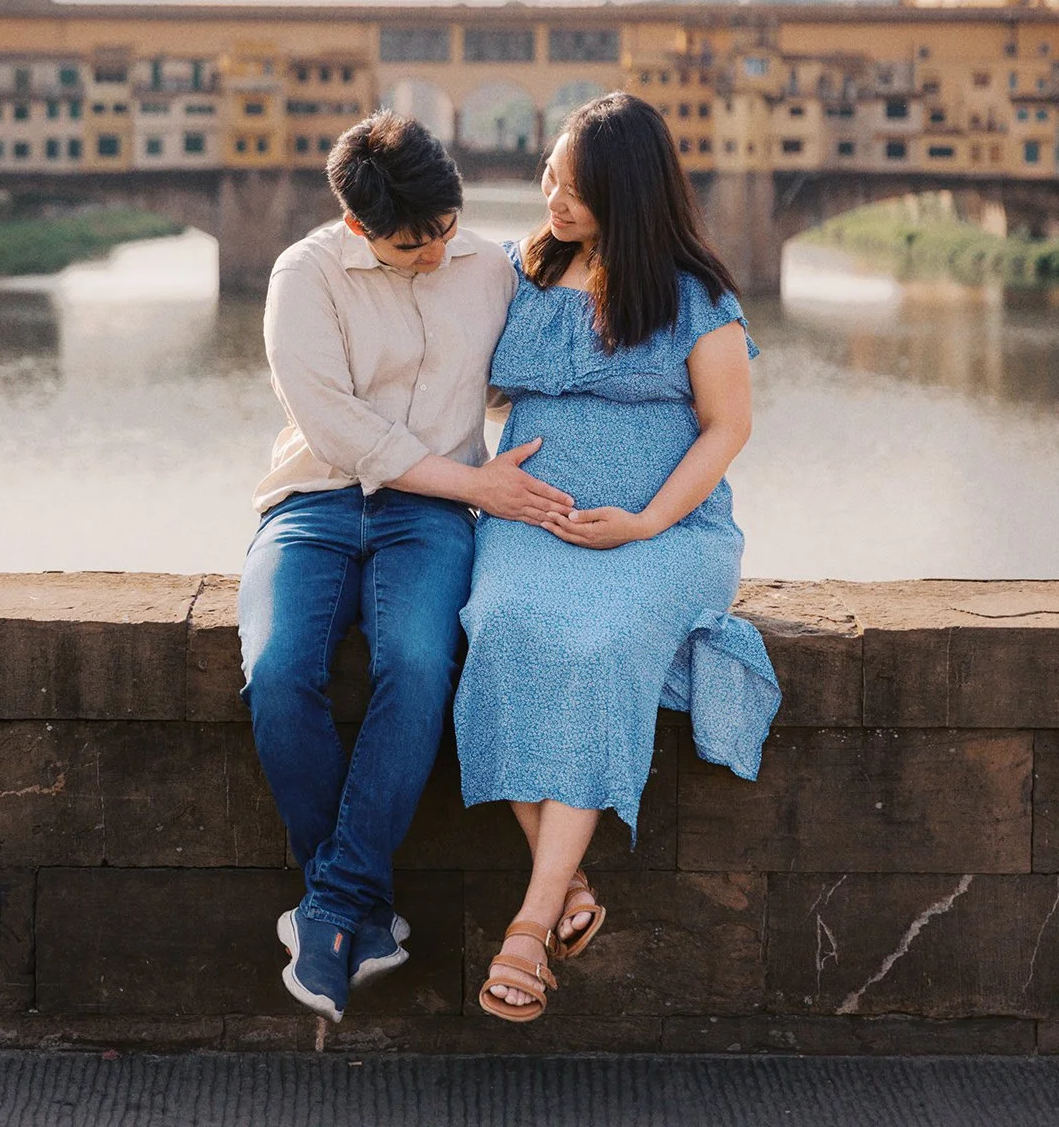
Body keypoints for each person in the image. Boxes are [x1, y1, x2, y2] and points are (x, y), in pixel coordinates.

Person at [237, 110, 574, 1025]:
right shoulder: (303, 277)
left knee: (420, 665)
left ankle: (336, 909)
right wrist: (477, 481)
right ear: (357, 226)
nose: (433, 254)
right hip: (313, 499)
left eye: (445, 231)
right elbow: (339, 426)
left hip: (428, 517)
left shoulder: (492, 268)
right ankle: (356, 908)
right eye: (408, 244)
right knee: (277, 673)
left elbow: (553, 355)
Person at [453, 91, 782, 1022]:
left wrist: (644, 523)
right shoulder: (522, 269)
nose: (553, 199)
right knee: (501, 630)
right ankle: (571, 888)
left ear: (630, 195)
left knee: (600, 647)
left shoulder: (694, 295)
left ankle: (527, 926)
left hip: (666, 531)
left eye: (577, 189)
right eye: (552, 176)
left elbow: (728, 428)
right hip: (529, 521)